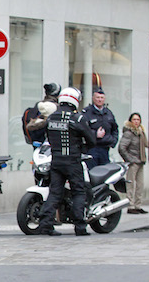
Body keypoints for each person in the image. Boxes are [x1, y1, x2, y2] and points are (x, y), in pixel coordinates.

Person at [37, 87, 96, 236]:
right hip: (72, 160)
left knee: (55, 193)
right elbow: (92, 140)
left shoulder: (51, 118)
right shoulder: (78, 118)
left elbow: (49, 138)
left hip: (56, 160)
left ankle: (46, 225)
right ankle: (80, 227)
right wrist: (83, 147)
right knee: (78, 192)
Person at [118, 112, 149, 214]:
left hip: (140, 161)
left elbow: (146, 145)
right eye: (134, 119)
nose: (136, 121)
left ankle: (138, 205)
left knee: (140, 185)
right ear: (130, 121)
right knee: (131, 185)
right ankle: (130, 205)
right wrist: (129, 159)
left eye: (138, 119)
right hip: (133, 162)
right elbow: (122, 148)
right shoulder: (129, 133)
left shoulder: (141, 132)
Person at [82, 87, 119, 168]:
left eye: (102, 98)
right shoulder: (87, 112)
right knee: (92, 174)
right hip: (91, 149)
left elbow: (115, 129)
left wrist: (113, 141)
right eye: (97, 97)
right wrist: (95, 134)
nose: (100, 100)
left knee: (104, 173)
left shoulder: (108, 113)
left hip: (105, 149)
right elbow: (82, 130)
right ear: (93, 98)